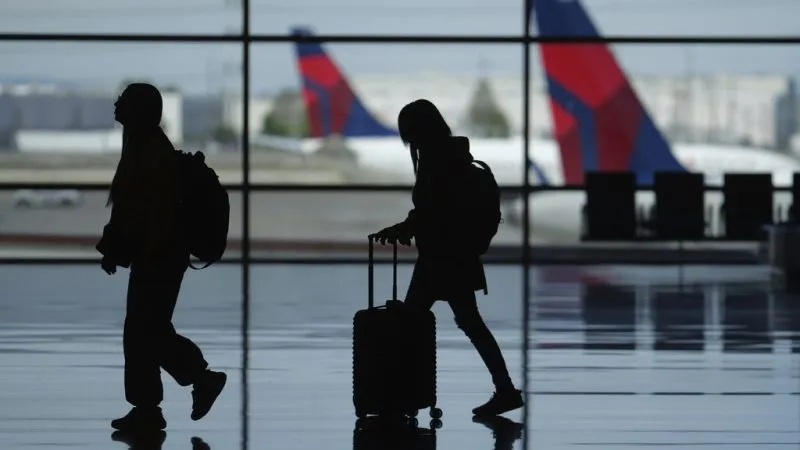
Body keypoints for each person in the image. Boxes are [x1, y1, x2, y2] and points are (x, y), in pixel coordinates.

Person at [371, 99, 523, 416]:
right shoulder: (451, 156)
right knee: (466, 323)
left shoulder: (436, 161)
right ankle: (502, 389)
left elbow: (434, 211)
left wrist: (408, 226)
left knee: (412, 323)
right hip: (454, 256)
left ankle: (402, 394)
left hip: (442, 259)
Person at [97, 83, 226, 431]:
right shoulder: (146, 146)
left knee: (145, 330)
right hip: (160, 253)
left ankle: (195, 382)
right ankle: (152, 405)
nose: (116, 105)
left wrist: (119, 249)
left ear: (137, 109)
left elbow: (140, 211)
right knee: (146, 329)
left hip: (158, 254)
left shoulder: (147, 151)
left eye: (123, 100)